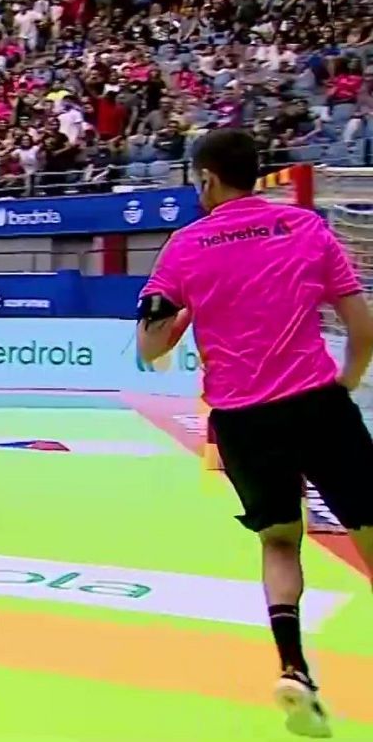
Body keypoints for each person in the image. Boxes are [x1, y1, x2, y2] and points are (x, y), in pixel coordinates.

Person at [139, 128, 373, 739]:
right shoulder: (306, 228)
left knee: (278, 543)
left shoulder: (185, 246)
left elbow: (151, 348)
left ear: (207, 179)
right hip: (317, 405)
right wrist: (344, 383)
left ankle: (293, 667)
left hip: (243, 421)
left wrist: (191, 308)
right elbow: (361, 324)